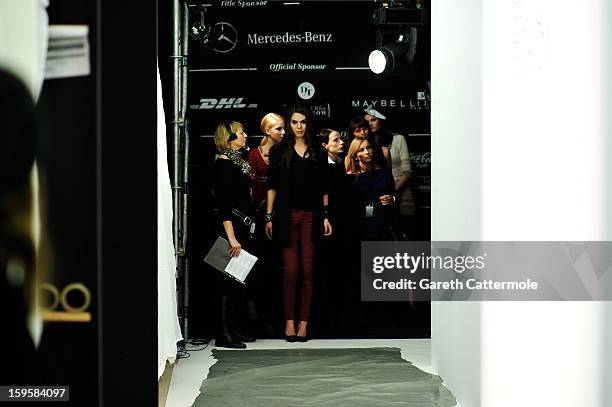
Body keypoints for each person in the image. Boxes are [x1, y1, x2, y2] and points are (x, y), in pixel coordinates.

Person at [265, 105, 332, 342]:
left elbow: (324, 187)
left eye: (303, 121)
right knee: (291, 271)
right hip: (286, 215)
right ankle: (289, 323)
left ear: (308, 123)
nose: (299, 126)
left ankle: (304, 324)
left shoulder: (318, 151)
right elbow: (271, 185)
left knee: (308, 270)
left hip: (311, 216)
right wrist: (269, 216)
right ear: (290, 124)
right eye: (294, 122)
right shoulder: (279, 150)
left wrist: (324, 215)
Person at [211, 120, 256, 349]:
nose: (245, 135)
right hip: (231, 229)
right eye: (241, 132)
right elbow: (224, 205)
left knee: (238, 280)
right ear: (229, 138)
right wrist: (231, 238)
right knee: (226, 281)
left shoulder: (239, 163)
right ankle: (223, 332)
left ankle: (233, 328)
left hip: (241, 226)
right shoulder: (224, 165)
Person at [247, 112, 285, 337]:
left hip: (282, 217)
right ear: (267, 131)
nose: (282, 132)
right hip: (259, 218)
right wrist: (262, 208)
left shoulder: (285, 153)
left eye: (283, 128)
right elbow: (251, 186)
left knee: (280, 270)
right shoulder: (254, 154)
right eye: (278, 128)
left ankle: (277, 317)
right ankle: (257, 317)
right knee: (260, 269)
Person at [364, 106, 414, 239]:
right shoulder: (366, 145)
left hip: (402, 198)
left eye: (373, 119)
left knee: (404, 239)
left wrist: (391, 192)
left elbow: (407, 171)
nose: (370, 124)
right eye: (367, 121)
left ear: (381, 120)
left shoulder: (398, 139)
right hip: (379, 201)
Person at [344, 137, 395, 241]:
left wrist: (391, 199)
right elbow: (348, 205)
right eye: (361, 150)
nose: (367, 152)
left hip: (383, 223)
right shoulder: (351, 177)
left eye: (369, 148)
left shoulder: (384, 173)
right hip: (360, 226)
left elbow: (395, 197)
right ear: (356, 156)